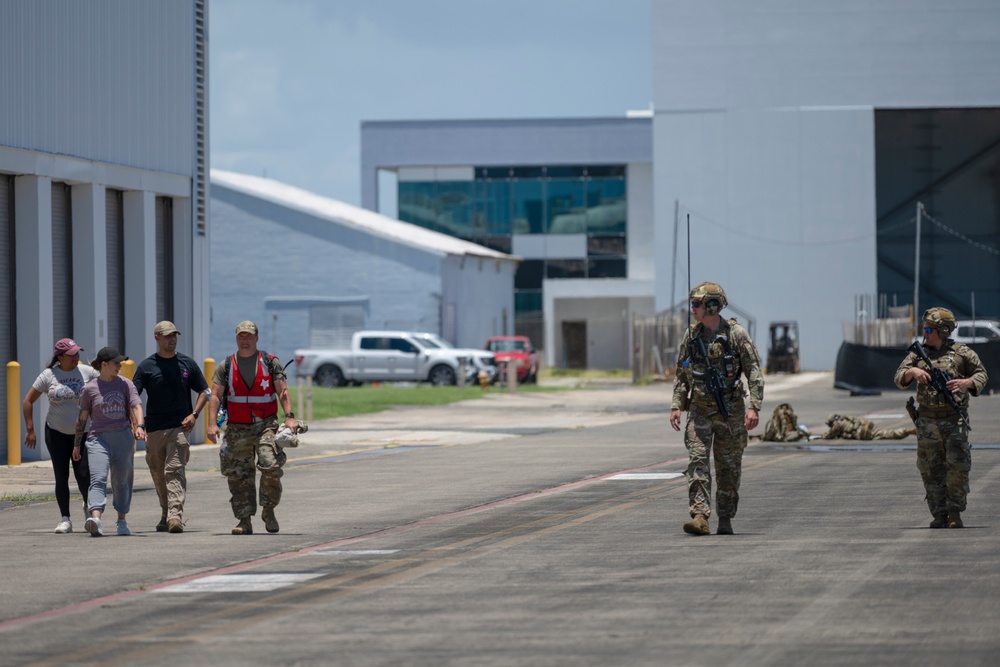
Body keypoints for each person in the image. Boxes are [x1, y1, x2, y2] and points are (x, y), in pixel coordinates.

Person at [670, 282, 764, 536]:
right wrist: (677, 405)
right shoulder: (691, 336)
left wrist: (753, 407)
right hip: (699, 411)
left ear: (712, 305)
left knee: (728, 468)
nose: (692, 309)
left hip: (730, 412)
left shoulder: (736, 335)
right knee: (698, 463)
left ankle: (725, 518)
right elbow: (681, 373)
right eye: (693, 303)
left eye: (697, 304)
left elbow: (754, 372)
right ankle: (700, 517)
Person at [894, 307, 988, 529]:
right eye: (924, 328)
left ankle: (954, 512)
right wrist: (913, 372)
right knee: (930, 468)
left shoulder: (962, 353)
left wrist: (967, 383)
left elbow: (982, 374)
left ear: (943, 331)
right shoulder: (916, 355)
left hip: (954, 420)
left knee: (957, 467)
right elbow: (898, 378)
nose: (924, 332)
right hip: (927, 422)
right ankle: (938, 513)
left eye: (929, 328)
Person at [206, 320, 297, 535]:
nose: (244, 340)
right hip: (237, 428)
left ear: (256, 338)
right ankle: (244, 520)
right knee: (239, 475)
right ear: (236, 338)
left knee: (270, 465)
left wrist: (290, 417)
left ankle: (269, 509)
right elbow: (216, 396)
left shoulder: (270, 362)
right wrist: (211, 424)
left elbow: (282, 391)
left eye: (248, 336)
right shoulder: (226, 365)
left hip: (265, 425)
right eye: (241, 336)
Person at [132, 321, 209, 534]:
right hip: (155, 429)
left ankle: (175, 516)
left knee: (174, 471)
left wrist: (194, 414)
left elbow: (204, 391)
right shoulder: (147, 366)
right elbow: (133, 396)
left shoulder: (187, 364)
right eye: (167, 336)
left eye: (174, 335)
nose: (172, 339)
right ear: (157, 337)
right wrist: (137, 423)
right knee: (158, 474)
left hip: (179, 428)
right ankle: (166, 513)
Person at [22, 338, 99, 533]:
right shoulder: (49, 375)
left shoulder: (87, 372)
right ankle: (65, 519)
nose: (76, 357)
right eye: (72, 354)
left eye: (77, 353)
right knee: (61, 475)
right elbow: (28, 401)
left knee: (84, 475)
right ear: (61, 357)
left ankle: (90, 512)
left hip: (82, 434)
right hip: (55, 433)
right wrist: (30, 429)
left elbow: (107, 382)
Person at [74, 347, 145, 537]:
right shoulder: (90, 388)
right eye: (116, 363)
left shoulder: (125, 384)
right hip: (98, 439)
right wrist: (76, 444)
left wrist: (140, 426)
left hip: (122, 437)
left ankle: (122, 521)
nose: (119, 366)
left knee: (122, 481)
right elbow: (82, 418)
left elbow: (136, 406)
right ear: (104, 365)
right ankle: (95, 519)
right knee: (97, 479)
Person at [822, 414, 915, 440]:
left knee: (886, 435)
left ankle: (906, 431)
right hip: (867, 426)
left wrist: (823, 436)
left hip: (863, 432)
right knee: (886, 433)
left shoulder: (838, 424)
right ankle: (906, 431)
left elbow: (829, 435)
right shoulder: (846, 419)